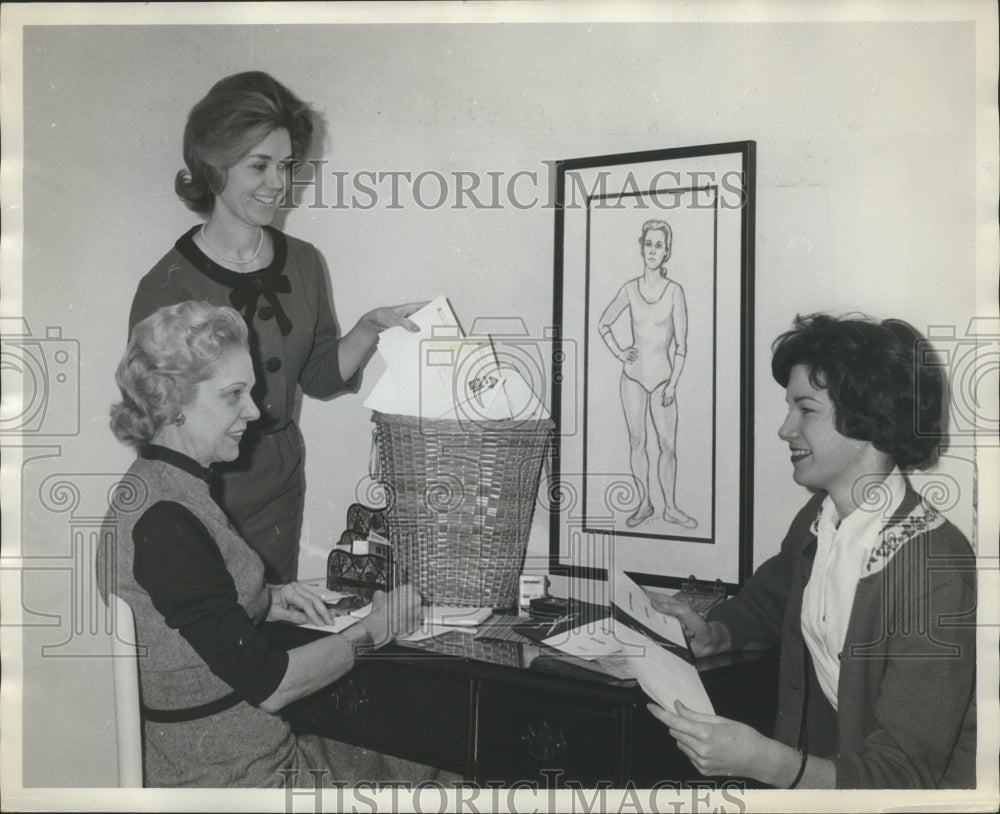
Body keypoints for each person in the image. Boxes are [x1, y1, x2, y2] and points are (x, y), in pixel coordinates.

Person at [97, 302, 447, 788]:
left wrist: (266, 600)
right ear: (173, 400)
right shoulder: (168, 522)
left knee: (410, 746)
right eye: (233, 395)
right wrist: (375, 629)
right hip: (243, 783)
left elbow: (183, 620)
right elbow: (274, 686)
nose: (254, 410)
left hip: (209, 767)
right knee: (449, 767)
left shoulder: (152, 489)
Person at [650, 313, 976, 789]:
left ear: (872, 417)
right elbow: (776, 597)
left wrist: (768, 763)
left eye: (805, 409)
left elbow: (905, 775)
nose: (785, 429)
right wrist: (716, 633)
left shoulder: (933, 570)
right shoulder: (818, 520)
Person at [129, 70, 422, 583]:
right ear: (215, 166)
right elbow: (152, 421)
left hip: (279, 480)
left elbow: (319, 378)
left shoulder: (304, 262)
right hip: (201, 488)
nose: (278, 184)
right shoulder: (166, 285)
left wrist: (368, 328)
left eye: (286, 166)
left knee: (276, 627)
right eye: (259, 165)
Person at [598, 219, 696, 529]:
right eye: (649, 244)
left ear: (667, 252)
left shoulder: (674, 292)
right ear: (641, 247)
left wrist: (674, 384)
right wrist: (618, 352)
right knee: (636, 441)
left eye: (659, 245)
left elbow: (681, 346)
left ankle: (670, 507)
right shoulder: (629, 288)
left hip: (663, 382)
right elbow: (603, 323)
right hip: (633, 379)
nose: (653, 250)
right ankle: (644, 502)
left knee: (667, 446)